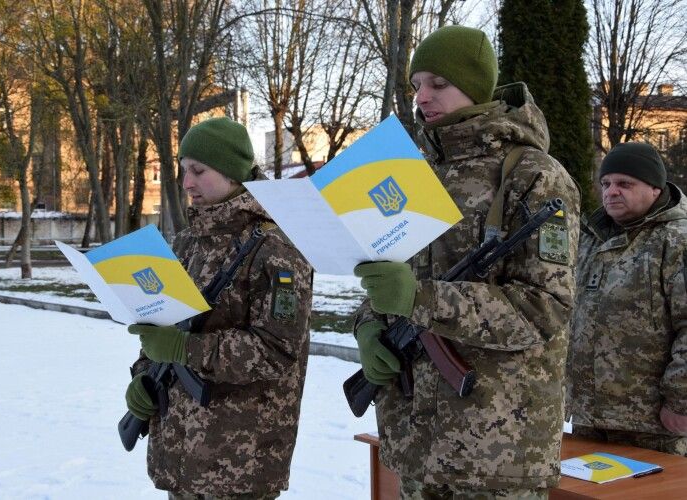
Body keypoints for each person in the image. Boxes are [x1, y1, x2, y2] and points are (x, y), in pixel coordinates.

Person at [352, 25, 580, 498]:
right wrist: (370, 325)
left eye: (438, 83)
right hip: (416, 444)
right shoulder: (412, 175)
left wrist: (421, 300)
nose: (423, 97)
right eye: (416, 85)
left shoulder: (534, 176)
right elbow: (390, 278)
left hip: (497, 452)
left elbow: (545, 309)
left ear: (476, 86)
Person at [125, 117, 313, 499]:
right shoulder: (185, 244)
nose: (186, 182)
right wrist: (144, 373)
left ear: (230, 173)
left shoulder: (277, 248)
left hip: (239, 465)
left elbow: (277, 351)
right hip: (181, 457)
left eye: (198, 170)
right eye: (182, 170)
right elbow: (162, 327)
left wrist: (184, 350)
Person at [567, 141, 687, 455]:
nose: (611, 192)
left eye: (625, 184)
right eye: (605, 184)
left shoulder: (676, 241)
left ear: (655, 190)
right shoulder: (590, 238)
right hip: (587, 417)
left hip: (653, 425)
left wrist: (681, 401)